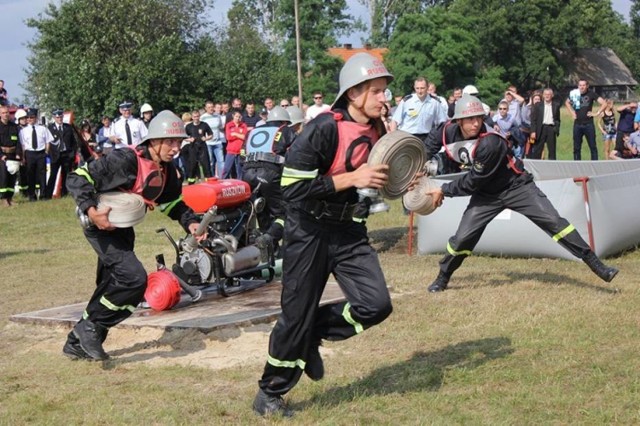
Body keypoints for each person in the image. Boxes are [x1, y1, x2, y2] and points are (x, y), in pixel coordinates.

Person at [253, 52, 393, 417]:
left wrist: (421, 188)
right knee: (294, 316)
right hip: (308, 230)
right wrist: (353, 178)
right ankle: (270, 393)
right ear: (353, 94)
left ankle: (313, 332)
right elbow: (291, 188)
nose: (384, 98)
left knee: (376, 304)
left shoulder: (380, 129)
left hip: (349, 230)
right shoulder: (323, 128)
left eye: (384, 91)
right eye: (376, 91)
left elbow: (387, 180)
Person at [422, 94, 618, 294]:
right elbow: (429, 145)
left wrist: (443, 189)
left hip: (516, 187)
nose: (476, 123)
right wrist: (419, 165)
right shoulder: (446, 131)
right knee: (463, 238)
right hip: (486, 194)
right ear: (458, 121)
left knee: (554, 222)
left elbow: (472, 181)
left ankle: (596, 264)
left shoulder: (491, 143)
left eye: (479, 117)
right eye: (470, 119)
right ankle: (443, 277)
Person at [63, 110, 204, 361]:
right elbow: (78, 177)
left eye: (179, 142)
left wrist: (191, 222)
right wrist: (91, 210)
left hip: (122, 228)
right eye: (170, 142)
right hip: (99, 225)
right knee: (134, 280)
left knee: (113, 285)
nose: (176, 148)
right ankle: (89, 328)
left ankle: (76, 341)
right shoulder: (125, 160)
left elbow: (172, 203)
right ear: (154, 141)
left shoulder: (167, 171)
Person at [242, 106, 296, 255]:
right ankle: (270, 238)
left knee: (261, 211)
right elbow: (296, 154)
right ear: (284, 121)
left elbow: (241, 154)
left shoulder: (252, 131)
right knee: (284, 214)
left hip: (247, 173)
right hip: (270, 173)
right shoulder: (285, 130)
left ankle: (270, 250)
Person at [390, 77, 447, 143]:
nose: (419, 91)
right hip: (407, 136)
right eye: (417, 88)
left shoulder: (435, 102)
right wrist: (393, 139)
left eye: (422, 88)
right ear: (414, 87)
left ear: (427, 87)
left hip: (426, 137)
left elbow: (442, 122)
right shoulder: (407, 101)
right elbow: (395, 120)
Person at [19, 108, 55, 201]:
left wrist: (46, 152)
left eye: (32, 117)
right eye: (28, 117)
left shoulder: (43, 129)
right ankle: (32, 196)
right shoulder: (23, 131)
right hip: (29, 153)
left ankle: (43, 195)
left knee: (42, 175)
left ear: (36, 118)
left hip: (40, 153)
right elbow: (23, 145)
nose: (30, 119)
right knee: (30, 174)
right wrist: (23, 157)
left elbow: (48, 141)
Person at [565, 79, 606, 160]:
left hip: (588, 124)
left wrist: (597, 113)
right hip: (577, 124)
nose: (582, 87)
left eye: (583, 85)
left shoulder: (591, 93)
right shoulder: (574, 93)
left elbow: (604, 103)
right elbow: (567, 102)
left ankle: (594, 166)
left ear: (587, 86)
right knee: (576, 147)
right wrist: (572, 113)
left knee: (592, 146)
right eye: (580, 85)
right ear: (578, 86)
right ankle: (577, 165)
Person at [46, 109, 78, 199]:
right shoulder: (50, 128)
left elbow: (73, 142)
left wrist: (72, 153)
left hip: (66, 155)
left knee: (66, 174)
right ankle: (48, 194)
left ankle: (65, 192)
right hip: (55, 155)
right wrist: (50, 154)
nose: (59, 119)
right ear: (54, 118)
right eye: (57, 117)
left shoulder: (68, 127)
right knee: (53, 175)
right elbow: (48, 143)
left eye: (61, 117)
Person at [529, 88, 561, 160]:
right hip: (541, 128)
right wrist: (533, 131)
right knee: (538, 149)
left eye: (549, 94)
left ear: (552, 95)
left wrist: (557, 128)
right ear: (543, 95)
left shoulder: (556, 105)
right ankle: (536, 167)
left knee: (552, 150)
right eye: (545, 94)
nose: (547, 96)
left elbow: (558, 119)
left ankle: (552, 166)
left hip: (551, 128)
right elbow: (533, 119)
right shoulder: (538, 105)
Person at [0, 105, 22, 206]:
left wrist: (18, 154)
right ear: (0, 114)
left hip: (13, 155)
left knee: (12, 177)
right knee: (4, 177)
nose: (6, 115)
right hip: (3, 155)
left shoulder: (14, 126)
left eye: (7, 112)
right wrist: (1, 155)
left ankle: (10, 197)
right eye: (3, 113)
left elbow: (18, 142)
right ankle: (4, 198)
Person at [183, 109, 213, 184]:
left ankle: (209, 183)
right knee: (192, 166)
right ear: (192, 117)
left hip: (202, 147)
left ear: (199, 116)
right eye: (194, 117)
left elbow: (211, 134)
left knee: (206, 165)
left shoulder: (204, 124)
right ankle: (191, 183)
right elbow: (183, 137)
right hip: (193, 147)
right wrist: (189, 139)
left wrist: (206, 138)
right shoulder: (188, 126)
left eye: (197, 116)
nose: (196, 118)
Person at [200, 101, 225, 177]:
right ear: (206, 108)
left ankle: (222, 178)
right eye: (209, 107)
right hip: (208, 143)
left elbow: (220, 127)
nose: (211, 109)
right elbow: (200, 129)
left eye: (212, 107)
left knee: (221, 161)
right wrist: (203, 137)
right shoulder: (203, 117)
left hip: (218, 142)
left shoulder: (217, 116)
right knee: (210, 162)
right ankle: (211, 178)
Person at [222, 110, 246, 179]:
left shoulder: (243, 125)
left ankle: (240, 183)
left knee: (240, 169)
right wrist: (239, 135)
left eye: (239, 117)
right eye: (236, 116)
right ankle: (223, 181)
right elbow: (228, 137)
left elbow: (244, 137)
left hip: (241, 151)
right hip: (231, 150)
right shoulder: (229, 125)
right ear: (233, 116)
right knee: (227, 168)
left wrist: (235, 134)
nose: (238, 118)